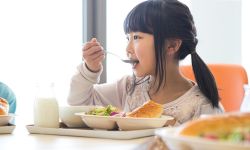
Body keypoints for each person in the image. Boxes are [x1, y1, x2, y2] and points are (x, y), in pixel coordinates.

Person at [67, 0, 223, 126]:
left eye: (137, 38)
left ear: (172, 46)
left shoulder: (202, 107)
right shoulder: (129, 87)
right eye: (128, 38)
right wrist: (90, 69)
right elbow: (79, 104)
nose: (128, 48)